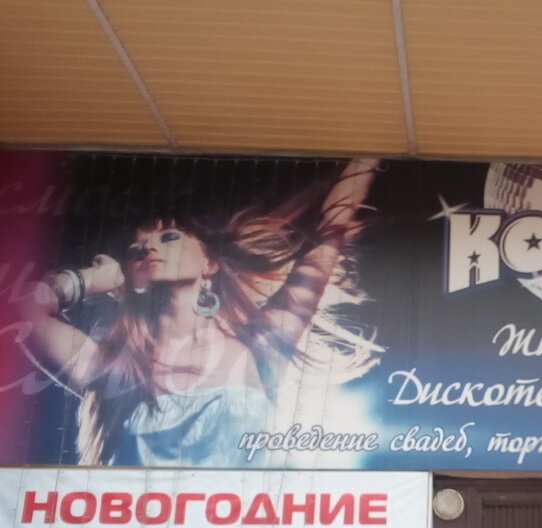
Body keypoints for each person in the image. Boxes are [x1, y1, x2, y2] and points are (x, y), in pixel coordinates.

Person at [19, 157, 378, 467]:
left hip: (235, 524)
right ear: (132, 277)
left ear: (210, 263)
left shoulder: (260, 342)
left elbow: (330, 233)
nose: (149, 249)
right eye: (136, 250)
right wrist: (90, 279)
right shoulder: (111, 363)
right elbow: (21, 309)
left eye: (169, 237)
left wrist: (368, 157)